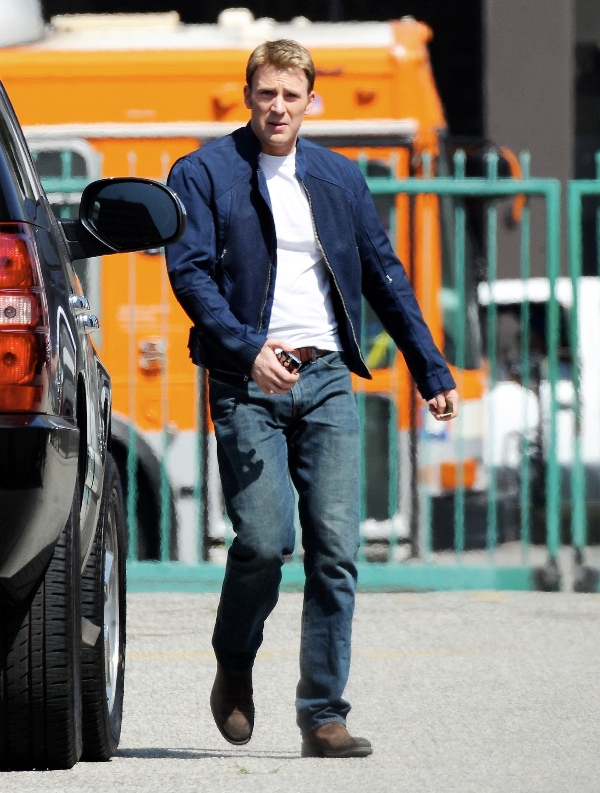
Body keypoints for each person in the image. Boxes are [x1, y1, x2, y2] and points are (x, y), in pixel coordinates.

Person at [165, 39, 458, 759]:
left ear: (310, 101)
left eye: (291, 95)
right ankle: (235, 660)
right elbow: (190, 273)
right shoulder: (203, 173)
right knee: (264, 542)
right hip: (246, 382)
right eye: (267, 93)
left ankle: (323, 713)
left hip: (326, 379)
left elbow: (384, 275)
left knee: (335, 549)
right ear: (248, 95)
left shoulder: (338, 177)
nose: (278, 107)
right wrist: (247, 349)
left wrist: (430, 370)